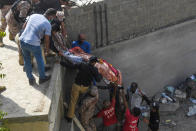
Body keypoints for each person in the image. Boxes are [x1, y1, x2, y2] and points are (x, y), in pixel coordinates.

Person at [19, 8, 57, 85]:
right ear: (51, 16)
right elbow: (47, 40)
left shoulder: (34, 15)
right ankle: (42, 78)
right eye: (53, 17)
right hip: (33, 43)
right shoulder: (47, 24)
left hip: (22, 40)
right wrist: (47, 50)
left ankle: (30, 78)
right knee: (40, 60)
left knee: (27, 60)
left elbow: (24, 26)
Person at [60, 56, 102, 122]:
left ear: (89, 60)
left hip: (76, 86)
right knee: (82, 98)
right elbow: (98, 80)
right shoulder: (95, 69)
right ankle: (79, 105)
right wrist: (100, 73)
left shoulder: (82, 64)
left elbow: (71, 66)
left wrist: (61, 62)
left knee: (73, 101)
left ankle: (69, 117)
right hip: (85, 88)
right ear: (94, 63)